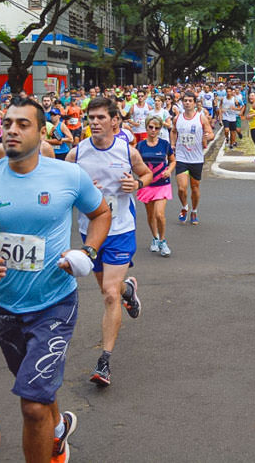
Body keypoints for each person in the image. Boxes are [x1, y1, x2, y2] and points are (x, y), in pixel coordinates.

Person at [0, 97, 111, 463]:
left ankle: (46, 435)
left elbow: (101, 213)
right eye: (7, 123)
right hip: (5, 307)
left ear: (40, 131)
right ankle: (57, 430)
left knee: (32, 403)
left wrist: (88, 252)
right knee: (37, 388)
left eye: (23, 124)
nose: (12, 130)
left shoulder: (67, 176)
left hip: (55, 303)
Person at [65, 96, 151, 386]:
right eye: (91, 118)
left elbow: (147, 174)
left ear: (115, 120)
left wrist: (137, 184)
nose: (95, 123)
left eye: (101, 118)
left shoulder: (128, 152)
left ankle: (104, 362)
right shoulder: (78, 154)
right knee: (108, 288)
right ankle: (130, 288)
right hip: (90, 232)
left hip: (121, 230)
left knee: (109, 295)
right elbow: (64, 184)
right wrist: (82, 190)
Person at [171, 90, 213, 225]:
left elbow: (210, 133)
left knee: (195, 187)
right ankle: (184, 207)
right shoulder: (177, 118)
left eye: (190, 101)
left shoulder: (201, 117)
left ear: (194, 103)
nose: (187, 103)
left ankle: (194, 211)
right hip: (182, 157)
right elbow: (173, 131)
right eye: (185, 101)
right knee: (182, 188)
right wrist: (172, 145)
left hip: (196, 158)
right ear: (182, 102)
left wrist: (208, 137)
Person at [137, 116, 175, 257]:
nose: (153, 130)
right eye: (151, 127)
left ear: (160, 129)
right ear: (146, 127)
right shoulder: (140, 146)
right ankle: (155, 237)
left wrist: (169, 171)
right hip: (147, 185)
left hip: (162, 184)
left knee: (159, 214)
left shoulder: (164, 144)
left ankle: (162, 241)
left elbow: (172, 161)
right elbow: (135, 164)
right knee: (150, 214)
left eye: (157, 128)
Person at [244, 90, 255, 162]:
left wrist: (253, 115)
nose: (251, 97)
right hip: (252, 126)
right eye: (250, 96)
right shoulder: (251, 105)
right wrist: (248, 116)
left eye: (252, 96)